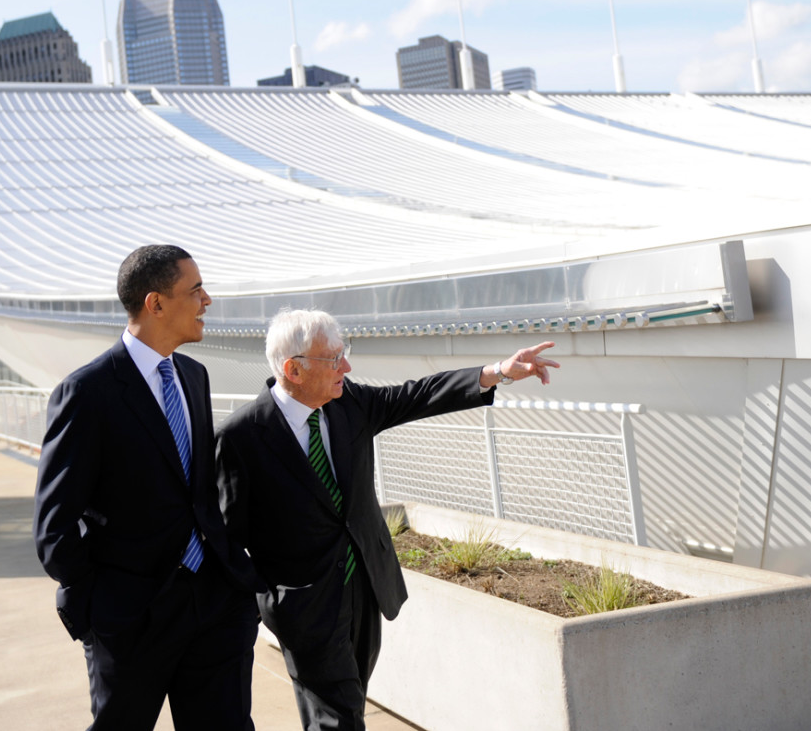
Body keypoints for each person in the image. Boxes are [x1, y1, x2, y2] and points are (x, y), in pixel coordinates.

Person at [216, 308, 558, 731]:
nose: (347, 366)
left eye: (345, 353)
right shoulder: (241, 436)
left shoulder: (349, 403)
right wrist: (251, 614)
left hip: (365, 589)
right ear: (294, 369)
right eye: (334, 358)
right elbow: (229, 537)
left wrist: (497, 372)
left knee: (349, 704)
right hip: (304, 608)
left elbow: (415, 395)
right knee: (335, 717)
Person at [33, 245, 261, 731]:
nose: (208, 300)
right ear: (155, 304)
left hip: (215, 604)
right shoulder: (87, 392)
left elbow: (197, 492)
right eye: (195, 289)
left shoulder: (193, 376)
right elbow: (54, 527)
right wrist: (102, 608)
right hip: (133, 620)